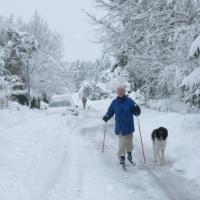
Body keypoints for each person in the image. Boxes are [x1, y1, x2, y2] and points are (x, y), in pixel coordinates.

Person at [103, 85, 141, 166]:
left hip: (129, 125)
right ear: (117, 92)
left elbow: (135, 111)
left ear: (124, 92)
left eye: (122, 91)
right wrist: (107, 116)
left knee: (129, 142)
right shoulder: (114, 102)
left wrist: (137, 110)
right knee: (122, 142)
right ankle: (122, 156)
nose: (120, 92)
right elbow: (110, 111)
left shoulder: (129, 101)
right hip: (120, 126)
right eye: (119, 91)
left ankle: (129, 153)